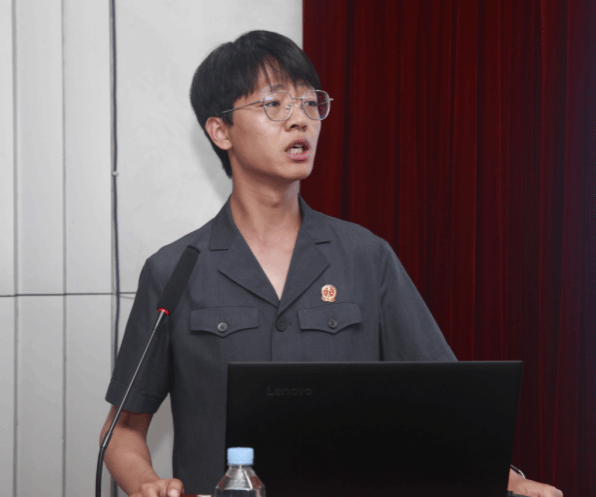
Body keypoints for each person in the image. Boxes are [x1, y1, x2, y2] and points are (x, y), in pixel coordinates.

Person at [101, 30, 563, 497]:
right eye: (274, 104)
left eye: (309, 103)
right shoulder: (175, 270)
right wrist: (148, 485)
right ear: (221, 131)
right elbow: (122, 430)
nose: (299, 120)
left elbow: (449, 404)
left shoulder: (366, 256)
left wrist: (511, 482)